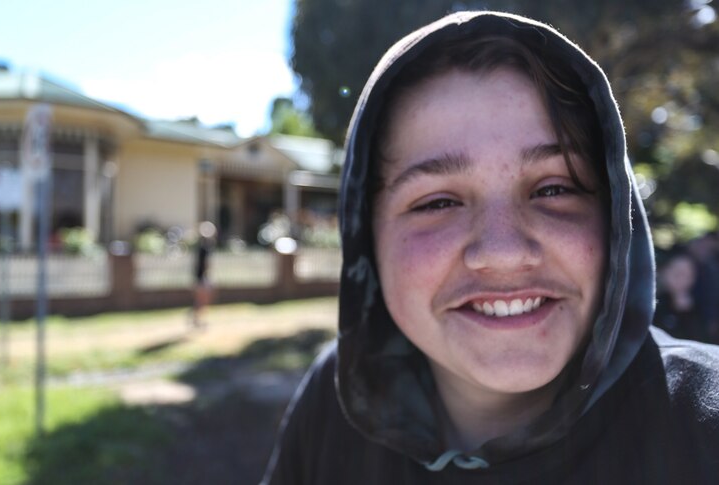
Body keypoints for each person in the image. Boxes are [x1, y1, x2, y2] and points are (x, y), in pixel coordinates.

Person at [262, 11, 719, 484]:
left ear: (613, 218)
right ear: (366, 237)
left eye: (553, 189)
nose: (503, 252)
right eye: (438, 202)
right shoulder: (334, 405)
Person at [655, 246, 702, 341]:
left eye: (688, 276)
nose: (682, 280)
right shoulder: (648, 298)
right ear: (663, 271)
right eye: (678, 274)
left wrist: (685, 314)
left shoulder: (694, 305)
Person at [191, 221, 217, 329]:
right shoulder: (205, 248)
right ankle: (197, 320)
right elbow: (206, 264)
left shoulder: (200, 247)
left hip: (199, 277)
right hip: (202, 278)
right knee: (202, 300)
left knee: (201, 301)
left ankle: (198, 320)